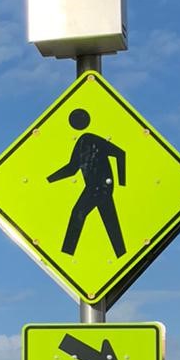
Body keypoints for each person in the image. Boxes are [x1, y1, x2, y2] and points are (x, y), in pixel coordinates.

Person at [47, 108, 126, 258]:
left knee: (78, 213)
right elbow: (71, 169)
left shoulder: (91, 139)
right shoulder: (81, 144)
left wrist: (122, 183)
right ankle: (122, 253)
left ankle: (66, 254)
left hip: (101, 186)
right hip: (95, 186)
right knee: (110, 220)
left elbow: (120, 154)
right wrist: (48, 180)